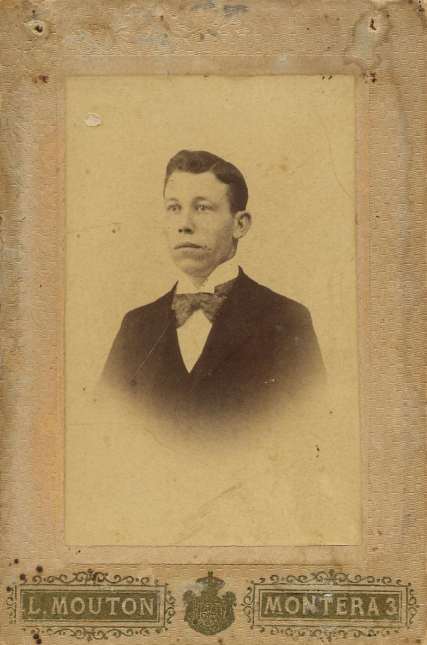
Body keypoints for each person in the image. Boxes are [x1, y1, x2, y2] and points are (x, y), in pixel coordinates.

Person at [101, 149, 325, 424]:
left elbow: (309, 429)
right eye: (174, 208)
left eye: (202, 208)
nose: (184, 225)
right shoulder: (136, 326)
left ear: (240, 224)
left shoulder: (286, 319)